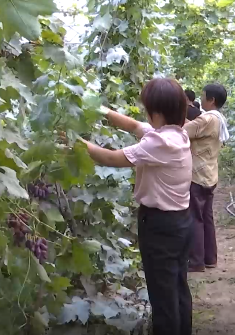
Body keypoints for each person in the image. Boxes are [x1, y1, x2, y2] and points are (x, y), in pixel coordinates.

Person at [77, 78, 193, 335]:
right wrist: (101, 110)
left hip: (160, 227)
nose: (144, 114)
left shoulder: (159, 144)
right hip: (181, 223)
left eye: (147, 109)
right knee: (177, 287)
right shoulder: (175, 135)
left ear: (158, 113)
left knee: (163, 298)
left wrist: (75, 142)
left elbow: (109, 158)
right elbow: (133, 125)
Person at [184, 83, 230, 272]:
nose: (199, 99)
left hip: (198, 174)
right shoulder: (218, 118)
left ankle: (196, 261)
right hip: (209, 173)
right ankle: (209, 258)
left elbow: (183, 131)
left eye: (203, 96)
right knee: (206, 217)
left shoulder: (207, 120)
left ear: (211, 100)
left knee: (195, 217)